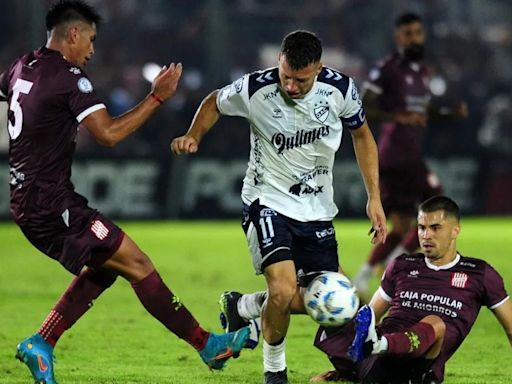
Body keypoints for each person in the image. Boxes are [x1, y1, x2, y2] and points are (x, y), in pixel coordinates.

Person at [0, 1, 249, 383]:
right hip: (52, 205)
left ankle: (42, 341)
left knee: (107, 266)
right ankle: (207, 345)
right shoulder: (69, 77)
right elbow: (110, 134)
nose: (93, 50)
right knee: (138, 265)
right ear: (73, 34)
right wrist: (156, 97)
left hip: (29, 200)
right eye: (91, 40)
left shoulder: (21, 66)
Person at [171, 30, 387, 384]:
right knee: (284, 290)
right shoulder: (255, 89)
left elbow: (362, 136)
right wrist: (194, 135)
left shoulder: (342, 91)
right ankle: (275, 371)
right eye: (285, 76)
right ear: (278, 62)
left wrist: (374, 197)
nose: (289, 86)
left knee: (339, 305)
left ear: (318, 68)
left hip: (316, 209)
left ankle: (244, 307)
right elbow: (213, 101)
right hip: (265, 200)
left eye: (300, 80)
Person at [310, 195, 512, 383]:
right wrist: (347, 371)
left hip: (418, 368)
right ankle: (367, 354)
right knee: (334, 289)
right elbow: (370, 316)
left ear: (455, 230)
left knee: (435, 323)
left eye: (435, 228)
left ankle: (379, 344)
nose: (426, 236)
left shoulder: (479, 274)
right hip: (378, 362)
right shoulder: (402, 265)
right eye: (422, 228)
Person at [352, 13, 468, 298]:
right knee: (440, 205)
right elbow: (364, 106)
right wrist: (397, 116)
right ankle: (395, 268)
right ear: (398, 38)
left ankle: (363, 278)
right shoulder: (388, 68)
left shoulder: (422, 71)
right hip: (396, 154)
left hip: (409, 155)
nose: (413, 38)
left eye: (417, 32)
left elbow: (421, 115)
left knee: (404, 226)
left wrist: (447, 114)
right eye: (407, 33)